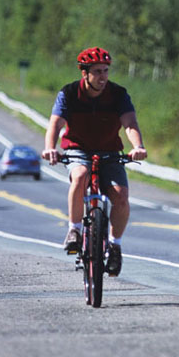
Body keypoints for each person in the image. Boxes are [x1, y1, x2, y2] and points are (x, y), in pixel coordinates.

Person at [42, 46, 147, 276]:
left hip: (110, 152)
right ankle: (74, 230)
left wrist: (138, 146)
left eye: (106, 71)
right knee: (80, 175)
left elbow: (130, 124)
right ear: (84, 73)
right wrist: (50, 148)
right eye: (97, 71)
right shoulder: (69, 93)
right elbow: (56, 124)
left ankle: (115, 246)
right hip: (78, 150)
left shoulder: (118, 94)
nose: (103, 76)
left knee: (121, 196)